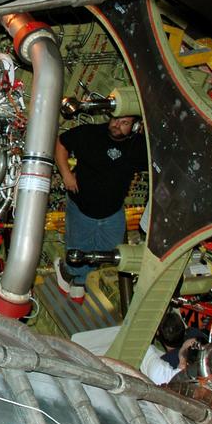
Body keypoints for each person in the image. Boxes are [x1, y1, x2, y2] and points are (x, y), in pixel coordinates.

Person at [54, 114, 147, 301]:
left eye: (124, 123)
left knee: (107, 251)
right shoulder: (90, 134)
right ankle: (69, 272)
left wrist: (146, 135)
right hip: (82, 208)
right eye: (115, 120)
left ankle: (80, 277)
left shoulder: (138, 146)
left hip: (112, 212)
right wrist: (66, 174)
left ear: (135, 126)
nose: (116, 125)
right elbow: (61, 144)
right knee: (78, 249)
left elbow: (156, 160)